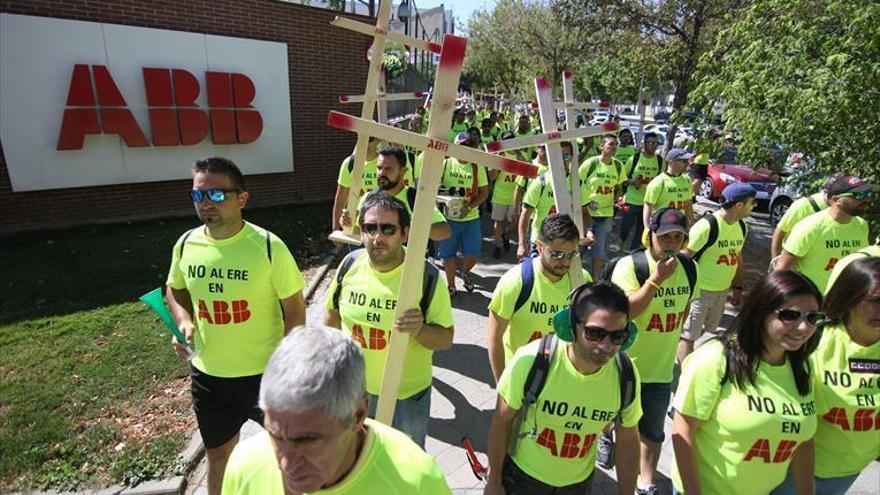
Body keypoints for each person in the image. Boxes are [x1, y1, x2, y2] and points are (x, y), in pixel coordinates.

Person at [165, 157, 307, 495]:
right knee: (218, 455)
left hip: (265, 376)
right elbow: (174, 287)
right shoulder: (186, 244)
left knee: (287, 453)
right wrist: (182, 320)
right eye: (198, 196)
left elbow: (295, 309)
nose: (205, 204)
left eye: (216, 195)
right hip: (209, 376)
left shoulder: (269, 247)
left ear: (241, 198)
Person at [221, 326, 453, 494]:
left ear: (358, 414)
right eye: (275, 435)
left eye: (307, 440)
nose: (286, 464)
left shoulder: (417, 482)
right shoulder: (245, 464)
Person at [671, 270, 821, 495]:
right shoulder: (715, 360)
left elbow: (803, 441)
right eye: (790, 315)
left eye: (813, 318)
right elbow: (683, 431)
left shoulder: (803, 368)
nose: (804, 327)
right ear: (762, 312)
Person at [484, 282, 642, 495]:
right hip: (522, 480)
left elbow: (628, 440)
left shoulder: (626, 375)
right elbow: (501, 422)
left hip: (579, 485)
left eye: (618, 337)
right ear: (570, 326)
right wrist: (494, 481)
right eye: (595, 333)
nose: (606, 346)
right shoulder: (531, 361)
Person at [324, 192, 454, 447]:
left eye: (388, 229)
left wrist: (419, 330)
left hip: (407, 398)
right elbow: (331, 312)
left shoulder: (426, 276)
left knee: (405, 467)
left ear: (405, 233)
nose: (377, 237)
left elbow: (445, 339)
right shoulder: (350, 264)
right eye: (370, 228)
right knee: (355, 460)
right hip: (355, 392)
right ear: (361, 232)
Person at [610, 207, 698, 495]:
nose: (671, 243)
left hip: (660, 370)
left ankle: (646, 482)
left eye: (678, 237)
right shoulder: (631, 266)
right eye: (665, 237)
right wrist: (656, 281)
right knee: (616, 420)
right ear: (651, 236)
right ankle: (604, 436)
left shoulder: (689, 268)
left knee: (653, 431)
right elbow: (626, 313)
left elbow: (684, 309)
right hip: (624, 366)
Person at [488, 214, 593, 382]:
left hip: (564, 381)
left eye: (572, 254)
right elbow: (494, 339)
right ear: (539, 246)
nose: (565, 262)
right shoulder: (515, 282)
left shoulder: (582, 281)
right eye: (557, 255)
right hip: (522, 379)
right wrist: (504, 388)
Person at [678, 183, 756, 362]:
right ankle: (684, 377)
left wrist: (737, 287)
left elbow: (737, 258)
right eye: (753, 203)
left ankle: (693, 362)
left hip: (722, 291)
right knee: (688, 336)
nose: (754, 207)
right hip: (699, 292)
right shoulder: (707, 226)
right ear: (739, 205)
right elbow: (683, 258)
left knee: (708, 333)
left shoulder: (741, 227)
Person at [776, 173, 873, 293]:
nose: (867, 199)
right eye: (859, 195)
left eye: (869, 194)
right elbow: (782, 269)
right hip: (813, 300)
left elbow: (860, 262)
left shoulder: (861, 225)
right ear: (837, 199)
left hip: (843, 300)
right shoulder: (810, 226)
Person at [339, 146, 450, 242]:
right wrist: (347, 224)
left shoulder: (416, 199)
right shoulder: (368, 198)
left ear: (403, 171)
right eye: (379, 168)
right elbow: (360, 230)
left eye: (388, 169)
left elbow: (444, 231)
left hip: (410, 263)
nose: (381, 173)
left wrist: (413, 229)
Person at [437, 132, 490, 295]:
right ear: (454, 147)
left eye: (469, 145)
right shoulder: (445, 164)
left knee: (473, 253)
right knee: (448, 254)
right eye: (462, 145)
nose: (465, 149)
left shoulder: (476, 166)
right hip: (449, 219)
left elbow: (484, 192)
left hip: (471, 218)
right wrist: (447, 199)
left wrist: (469, 207)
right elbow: (434, 187)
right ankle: (451, 285)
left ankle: (466, 272)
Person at [517, 142, 590, 259]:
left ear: (571, 158)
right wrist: (521, 244)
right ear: (552, 157)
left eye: (566, 156)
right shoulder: (541, 182)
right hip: (541, 243)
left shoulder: (577, 183)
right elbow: (525, 215)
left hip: (566, 245)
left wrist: (586, 231)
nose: (563, 160)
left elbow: (585, 213)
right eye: (559, 156)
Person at [333, 136, 415, 233]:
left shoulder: (388, 162)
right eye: (362, 137)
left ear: (379, 140)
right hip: (359, 230)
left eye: (370, 139)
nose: (366, 143)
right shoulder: (350, 164)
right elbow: (341, 196)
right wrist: (336, 229)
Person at [580, 134, 628, 279]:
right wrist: (587, 201)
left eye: (616, 145)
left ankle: (594, 282)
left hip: (606, 214)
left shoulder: (618, 166)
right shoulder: (591, 163)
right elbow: (576, 183)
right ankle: (573, 278)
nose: (614, 148)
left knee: (600, 251)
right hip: (585, 213)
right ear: (601, 146)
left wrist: (619, 198)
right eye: (611, 144)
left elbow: (619, 188)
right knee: (579, 247)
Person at [770, 174, 837, 260]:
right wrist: (775, 262)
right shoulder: (803, 205)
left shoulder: (849, 213)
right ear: (826, 191)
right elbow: (779, 233)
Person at [619, 132, 662, 251]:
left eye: (655, 143)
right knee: (626, 226)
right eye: (650, 143)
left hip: (648, 201)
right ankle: (621, 242)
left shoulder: (659, 161)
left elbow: (662, 179)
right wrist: (633, 182)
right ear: (644, 144)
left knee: (642, 227)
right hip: (632, 199)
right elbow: (622, 178)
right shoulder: (635, 158)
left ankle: (633, 250)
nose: (653, 146)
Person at [642, 148, 696, 237]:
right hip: (662, 226)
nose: (687, 164)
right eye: (683, 161)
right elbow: (648, 205)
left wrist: (692, 224)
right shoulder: (659, 182)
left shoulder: (687, 180)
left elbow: (688, 204)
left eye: (687, 161)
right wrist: (647, 228)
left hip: (679, 225)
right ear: (671, 162)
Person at [489, 133, 521, 259]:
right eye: (507, 140)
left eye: (512, 140)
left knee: (514, 221)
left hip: (515, 196)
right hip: (499, 195)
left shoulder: (520, 157)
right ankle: (497, 246)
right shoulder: (499, 156)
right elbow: (491, 177)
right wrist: (497, 164)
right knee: (498, 222)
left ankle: (506, 235)